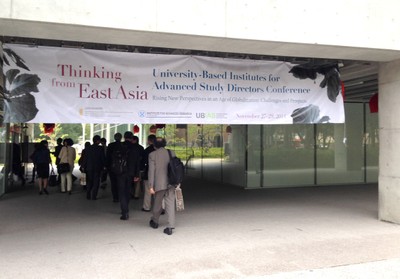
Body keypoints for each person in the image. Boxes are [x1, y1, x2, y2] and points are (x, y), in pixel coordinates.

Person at [148, 137, 176, 235]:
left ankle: (155, 221)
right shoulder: (171, 152)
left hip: (159, 183)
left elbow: (151, 172)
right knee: (170, 203)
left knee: (157, 203)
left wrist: (151, 186)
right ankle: (170, 226)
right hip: (171, 182)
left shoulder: (152, 155)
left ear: (154, 145)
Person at [117, 131, 141, 220]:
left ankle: (124, 211)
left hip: (120, 172)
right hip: (131, 173)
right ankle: (125, 207)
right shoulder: (135, 148)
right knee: (128, 190)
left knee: (121, 191)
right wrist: (137, 174)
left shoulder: (119, 146)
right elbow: (137, 162)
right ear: (132, 138)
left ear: (124, 137)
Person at [82, 135, 106, 200]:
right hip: (97, 168)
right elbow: (102, 158)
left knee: (89, 181)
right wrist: (104, 166)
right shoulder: (100, 148)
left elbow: (85, 158)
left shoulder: (88, 148)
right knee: (96, 182)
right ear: (97, 141)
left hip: (89, 167)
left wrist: (83, 166)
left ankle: (88, 195)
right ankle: (94, 196)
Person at [105, 132, 122, 202]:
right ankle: (121, 196)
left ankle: (115, 197)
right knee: (120, 182)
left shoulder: (110, 145)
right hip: (121, 167)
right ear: (121, 138)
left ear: (114, 138)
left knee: (113, 183)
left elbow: (107, 157)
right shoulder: (123, 145)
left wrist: (107, 166)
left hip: (112, 167)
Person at [141, 134, 156, 212]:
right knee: (159, 192)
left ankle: (147, 207)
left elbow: (143, 162)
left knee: (148, 191)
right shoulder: (161, 150)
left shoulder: (146, 150)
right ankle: (161, 208)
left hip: (148, 173)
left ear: (149, 141)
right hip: (159, 174)